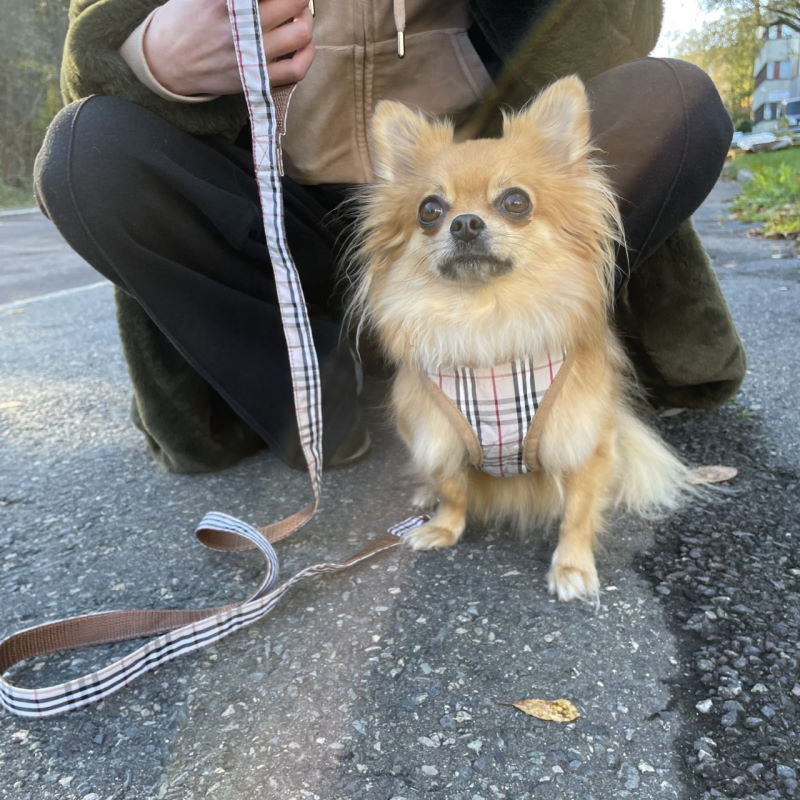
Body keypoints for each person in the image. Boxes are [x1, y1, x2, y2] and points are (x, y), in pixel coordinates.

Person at [34, 0, 746, 473]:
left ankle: (493, 365)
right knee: (85, 150)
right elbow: (88, 49)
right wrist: (147, 53)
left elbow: (616, 39)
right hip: (275, 228)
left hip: (482, 217)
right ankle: (315, 402)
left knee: (676, 100)